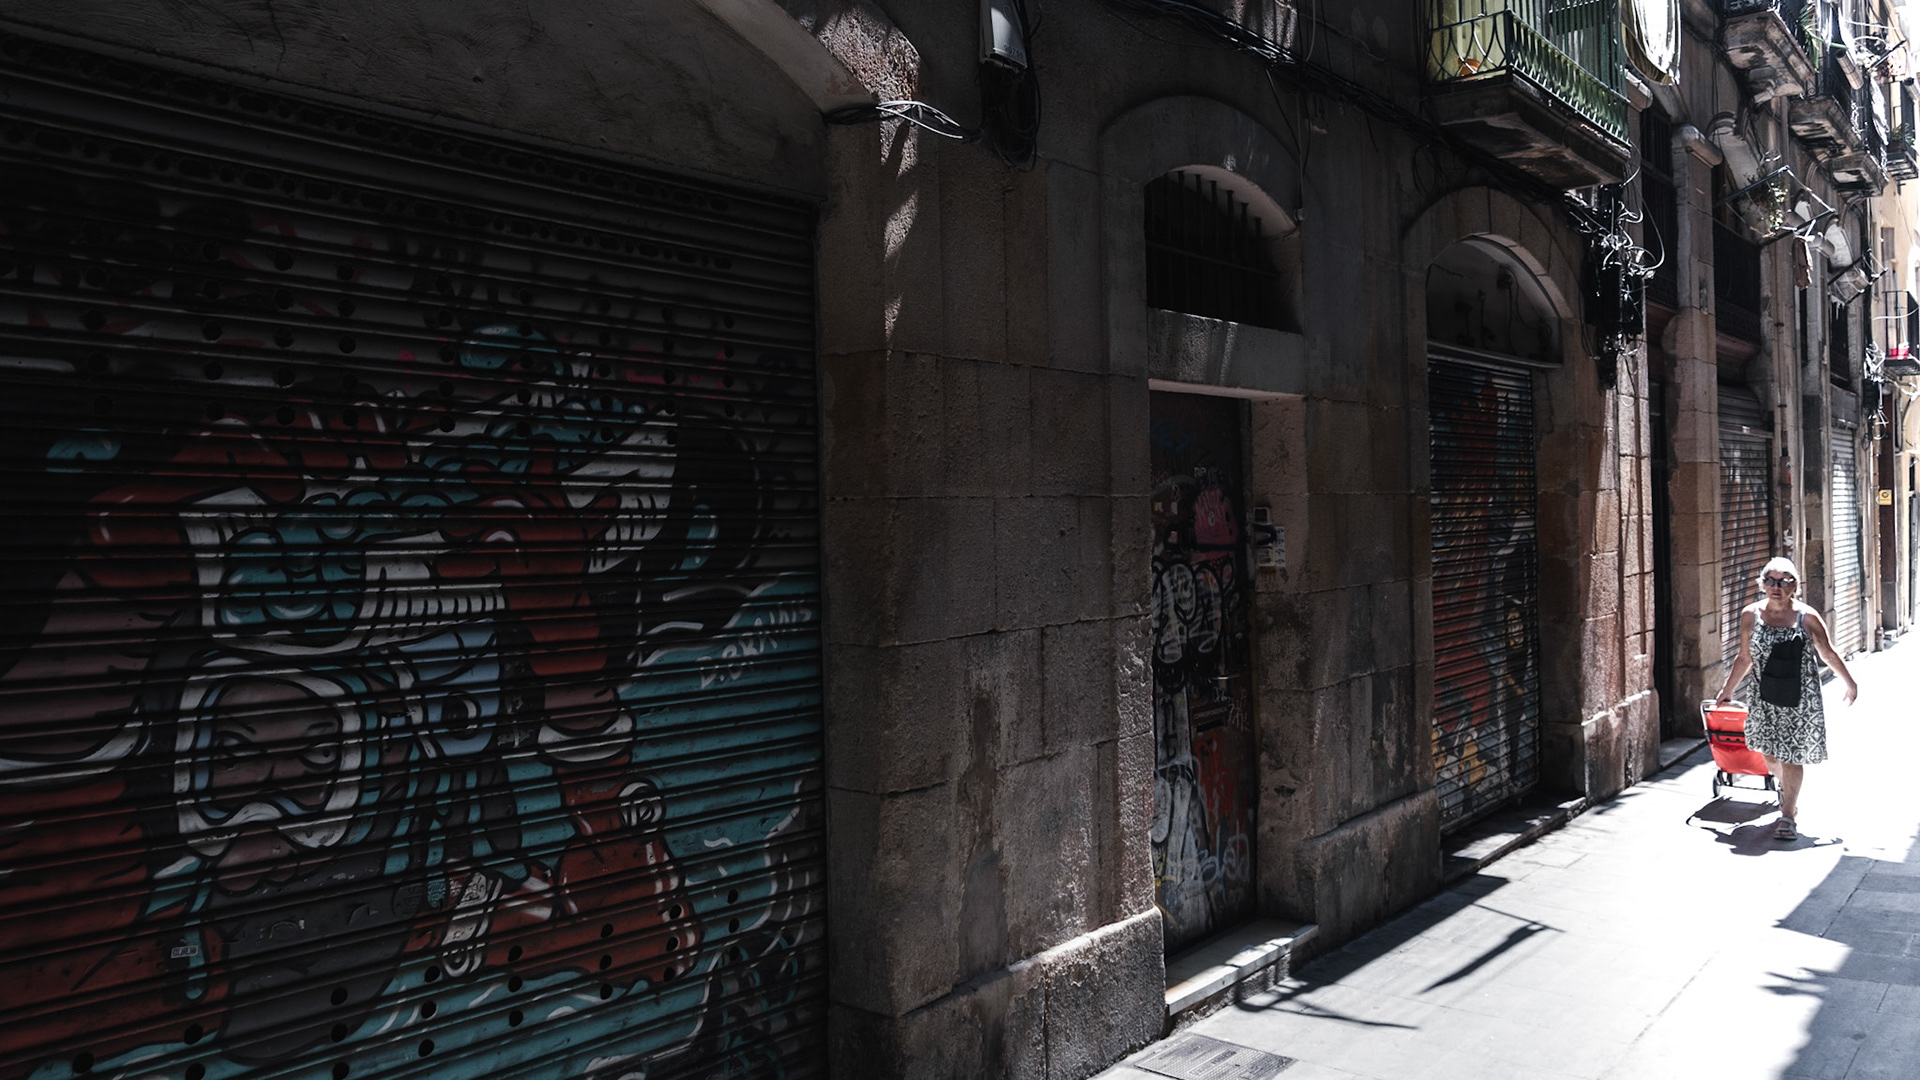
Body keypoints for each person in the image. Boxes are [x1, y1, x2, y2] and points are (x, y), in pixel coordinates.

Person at [1714, 556, 1858, 840]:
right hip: (1764, 694)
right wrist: (1728, 689)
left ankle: (1788, 815)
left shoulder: (1807, 617)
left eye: (1783, 581)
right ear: (1762, 584)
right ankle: (1787, 789)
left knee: (1791, 754)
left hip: (1799, 697)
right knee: (1769, 754)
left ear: (1794, 585)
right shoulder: (1750, 615)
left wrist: (1849, 682)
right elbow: (1745, 657)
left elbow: (1827, 652)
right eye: (1770, 580)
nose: (1775, 586)